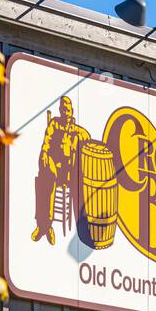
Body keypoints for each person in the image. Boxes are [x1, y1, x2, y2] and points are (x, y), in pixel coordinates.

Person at [32, 96, 90, 245]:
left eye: (68, 110)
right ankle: (45, 226)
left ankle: (85, 228)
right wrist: (44, 153)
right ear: (60, 110)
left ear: (72, 111)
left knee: (84, 183)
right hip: (52, 165)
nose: (66, 112)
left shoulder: (75, 129)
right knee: (46, 181)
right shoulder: (55, 123)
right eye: (63, 109)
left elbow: (86, 136)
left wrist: (84, 138)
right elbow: (47, 141)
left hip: (67, 170)